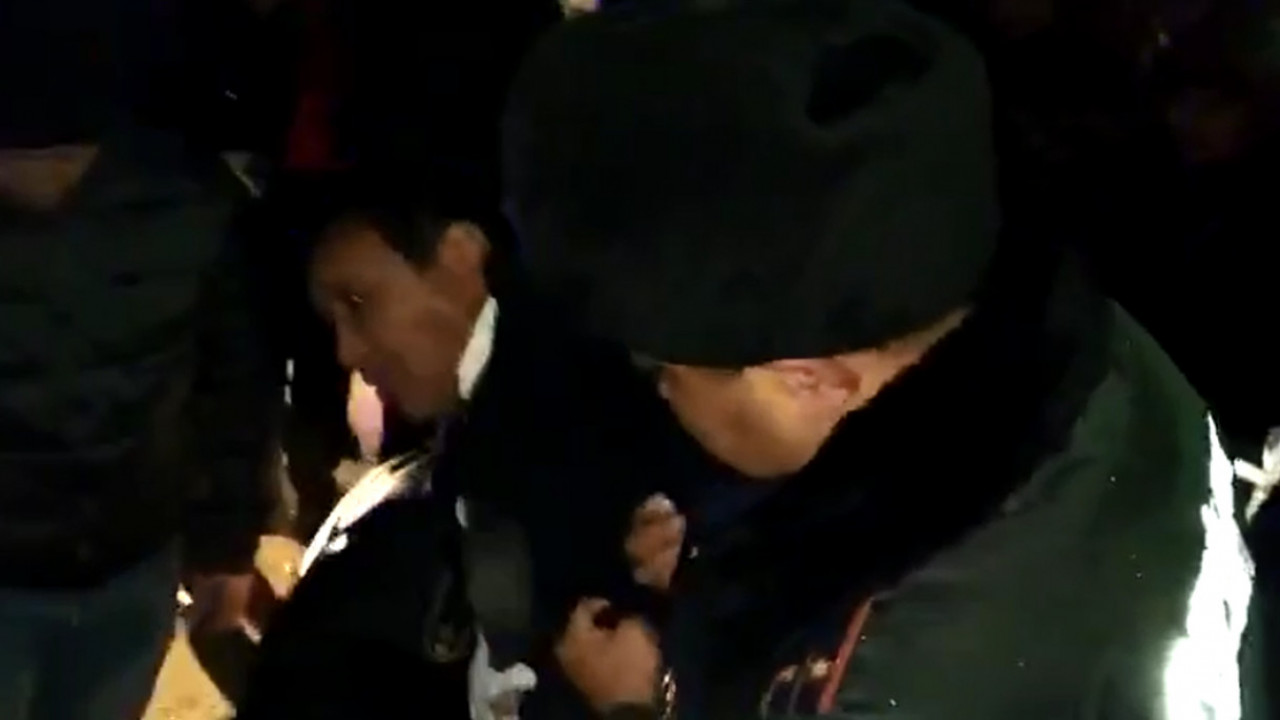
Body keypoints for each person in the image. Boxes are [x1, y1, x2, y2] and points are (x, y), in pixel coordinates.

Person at [501, 1, 1258, 718]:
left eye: (664, 371)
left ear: (808, 379)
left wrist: (649, 699)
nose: (663, 395)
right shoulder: (1099, 350)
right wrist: (753, 563)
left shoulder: (901, 682)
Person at [236, 170, 706, 720]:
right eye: (332, 321)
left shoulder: (577, 423)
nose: (346, 352)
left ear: (460, 254)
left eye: (359, 302)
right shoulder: (505, 412)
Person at [0, 2, 277, 719]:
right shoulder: (190, 189)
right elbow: (234, 381)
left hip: (128, 565)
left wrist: (225, 539)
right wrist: (225, 540)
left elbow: (234, 380)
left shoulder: (191, 194)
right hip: (127, 559)